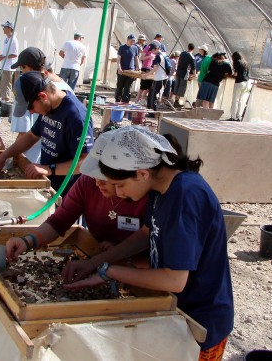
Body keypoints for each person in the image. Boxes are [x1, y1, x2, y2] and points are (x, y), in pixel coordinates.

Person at [62, 126, 234, 360]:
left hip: (199, 324)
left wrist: (109, 271)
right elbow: (145, 233)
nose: (118, 193)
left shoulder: (185, 195)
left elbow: (174, 280)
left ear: (141, 173)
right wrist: (95, 262)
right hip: (173, 313)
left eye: (120, 185)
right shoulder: (159, 188)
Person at [5, 167, 148, 261]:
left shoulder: (146, 194)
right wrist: (27, 241)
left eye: (104, 177)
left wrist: (118, 252)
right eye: (94, 175)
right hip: (97, 255)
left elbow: (149, 238)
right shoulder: (87, 182)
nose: (97, 183)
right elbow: (59, 221)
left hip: (137, 266)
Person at [0, 71, 94, 196]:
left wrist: (49, 169)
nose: (31, 112)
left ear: (43, 96)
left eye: (30, 107)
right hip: (49, 183)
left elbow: (85, 162)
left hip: (67, 192)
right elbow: (31, 136)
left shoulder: (76, 117)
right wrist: (4, 156)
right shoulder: (48, 108)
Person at [9, 47, 72, 163]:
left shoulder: (27, 90)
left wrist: (10, 160)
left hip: (32, 163)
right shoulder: (65, 89)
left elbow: (23, 134)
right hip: (55, 164)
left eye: (21, 69)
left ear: (25, 67)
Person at [0, 21, 19, 102]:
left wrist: (3, 57)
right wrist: (1, 56)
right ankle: (3, 101)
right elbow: (6, 52)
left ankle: (5, 102)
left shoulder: (13, 40)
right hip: (4, 66)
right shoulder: (6, 39)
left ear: (9, 28)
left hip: (9, 67)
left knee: (6, 86)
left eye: (5, 27)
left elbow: (15, 54)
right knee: (2, 85)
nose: (3, 29)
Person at [114, 34, 139, 103]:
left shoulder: (135, 48)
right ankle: (117, 100)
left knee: (127, 88)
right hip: (122, 71)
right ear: (127, 40)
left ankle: (125, 101)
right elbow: (118, 58)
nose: (132, 42)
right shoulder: (122, 48)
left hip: (131, 71)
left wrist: (137, 67)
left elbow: (136, 58)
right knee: (120, 86)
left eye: (133, 41)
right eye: (131, 41)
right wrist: (119, 68)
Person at [145, 43, 169, 111]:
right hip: (164, 77)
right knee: (154, 94)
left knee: (154, 96)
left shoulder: (158, 56)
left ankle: (153, 112)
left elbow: (155, 68)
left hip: (159, 78)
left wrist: (146, 75)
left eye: (152, 51)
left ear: (154, 49)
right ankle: (152, 110)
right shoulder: (164, 54)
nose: (152, 52)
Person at [171, 43, 196, 107]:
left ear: (188, 47)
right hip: (184, 74)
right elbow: (193, 67)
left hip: (178, 72)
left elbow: (179, 62)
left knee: (177, 86)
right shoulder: (191, 57)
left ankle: (175, 101)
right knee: (181, 88)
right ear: (193, 49)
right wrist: (195, 75)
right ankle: (176, 102)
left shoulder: (182, 53)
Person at [228, 52, 250, 121]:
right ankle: (239, 116)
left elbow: (236, 74)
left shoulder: (237, 62)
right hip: (246, 83)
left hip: (239, 82)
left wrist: (230, 74)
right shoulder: (245, 63)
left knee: (235, 100)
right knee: (241, 100)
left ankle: (233, 116)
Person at [135, 34, 154, 104]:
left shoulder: (153, 49)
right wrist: (149, 57)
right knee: (143, 86)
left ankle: (142, 99)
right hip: (145, 68)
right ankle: (137, 99)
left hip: (150, 68)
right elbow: (141, 58)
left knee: (148, 86)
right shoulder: (147, 48)